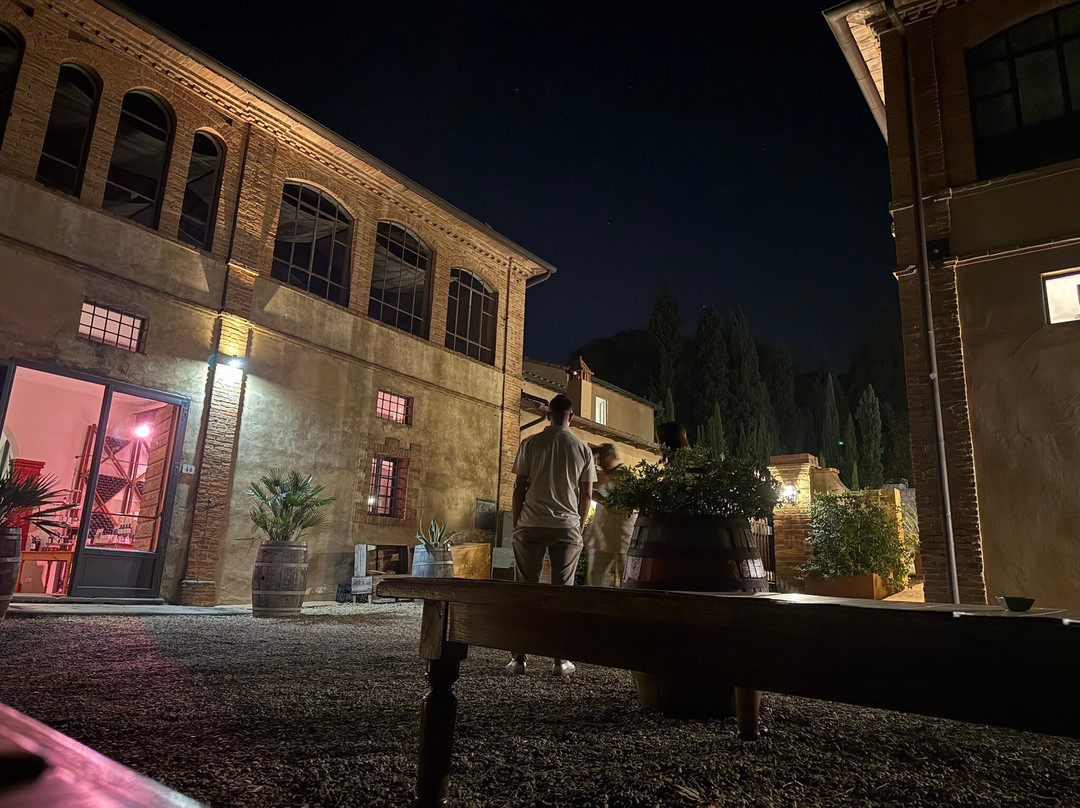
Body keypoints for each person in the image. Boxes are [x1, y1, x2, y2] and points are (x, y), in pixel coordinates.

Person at [506, 393, 596, 676]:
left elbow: (519, 487)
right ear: (571, 417)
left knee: (526, 589)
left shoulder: (530, 443)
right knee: (562, 592)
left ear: (547, 415)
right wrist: (578, 527)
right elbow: (587, 495)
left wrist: (518, 523)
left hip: (531, 524)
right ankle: (560, 660)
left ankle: (519, 659)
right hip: (566, 527)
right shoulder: (583, 449)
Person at [585, 443, 637, 587]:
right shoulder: (603, 476)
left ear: (608, 457)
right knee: (595, 578)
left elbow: (627, 506)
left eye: (600, 459)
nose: (598, 464)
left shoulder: (625, 476)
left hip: (622, 538)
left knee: (626, 580)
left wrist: (601, 499)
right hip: (600, 539)